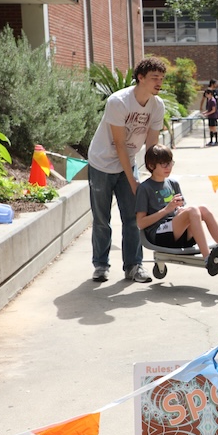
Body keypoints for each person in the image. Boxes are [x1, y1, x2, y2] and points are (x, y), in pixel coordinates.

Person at [87, 56, 166, 284]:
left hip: (127, 161)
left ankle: (134, 266)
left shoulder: (157, 105)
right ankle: (101, 265)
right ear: (140, 78)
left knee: (133, 217)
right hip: (102, 162)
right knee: (102, 218)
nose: (159, 82)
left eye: (161, 78)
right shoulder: (118, 101)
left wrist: (154, 179)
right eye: (154, 78)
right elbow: (119, 144)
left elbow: (152, 145)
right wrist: (133, 182)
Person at [136, 145, 218, 275]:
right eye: (163, 164)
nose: (168, 167)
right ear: (151, 166)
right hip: (159, 235)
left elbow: (182, 209)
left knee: (203, 209)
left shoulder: (173, 183)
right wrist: (166, 210)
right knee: (193, 210)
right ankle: (208, 259)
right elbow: (140, 223)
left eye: (170, 163)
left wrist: (179, 210)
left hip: (180, 234)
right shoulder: (144, 188)